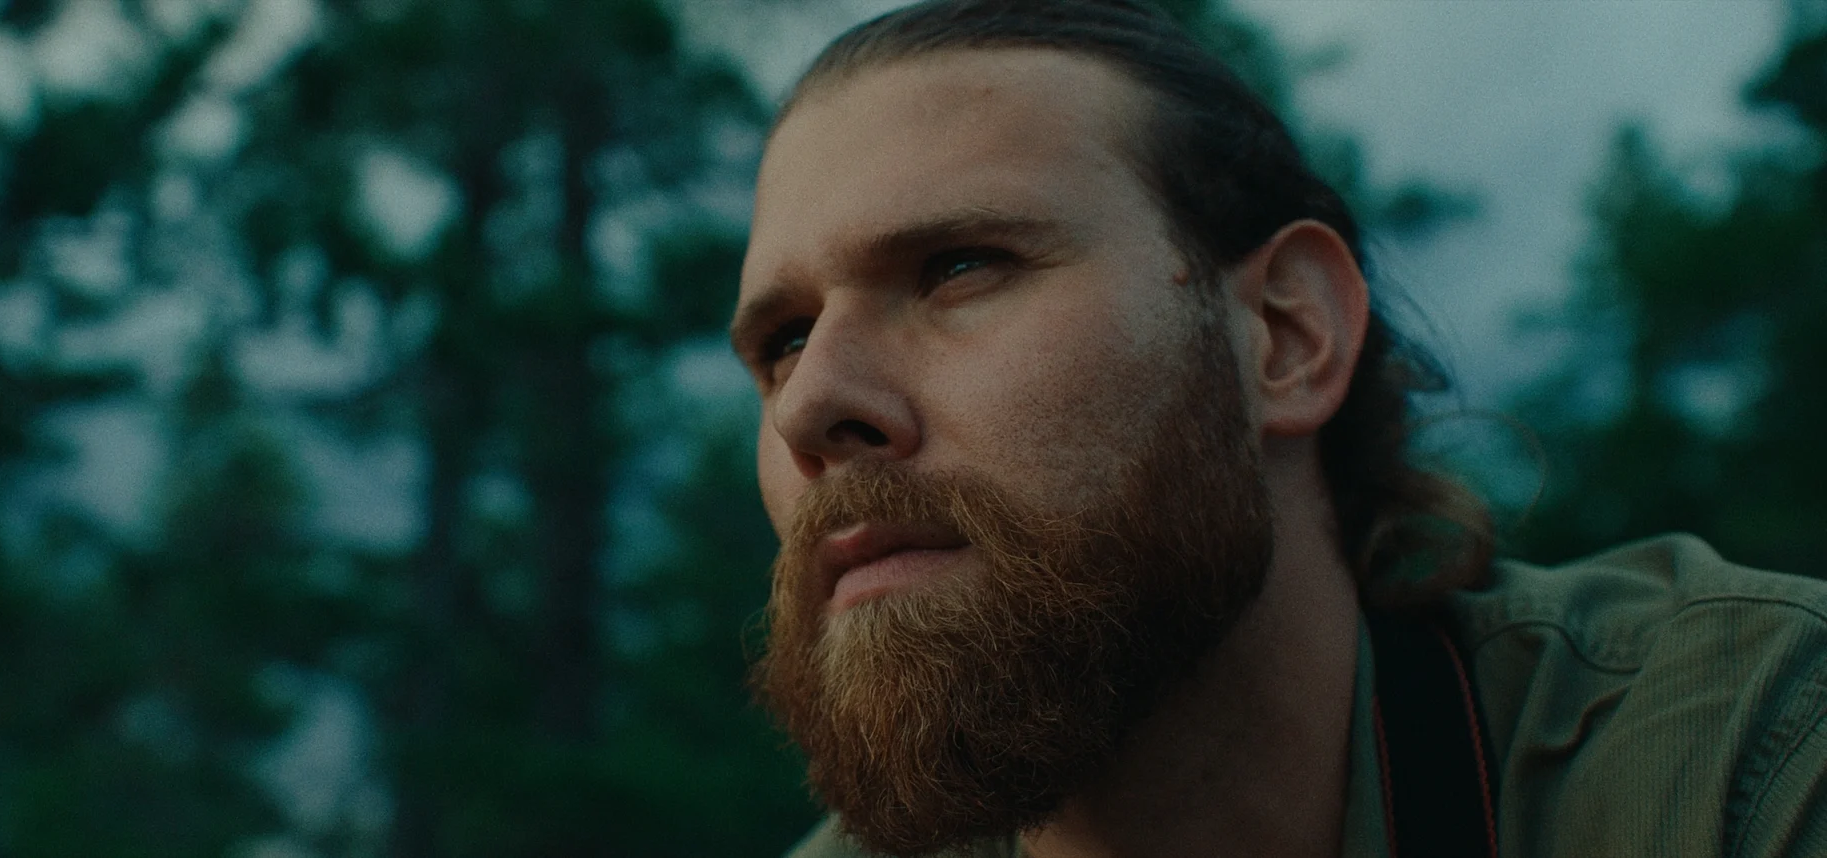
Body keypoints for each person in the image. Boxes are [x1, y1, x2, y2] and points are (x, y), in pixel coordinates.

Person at [726, 1, 1827, 856]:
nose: (808, 404)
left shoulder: (1746, 759)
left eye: (958, 268)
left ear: (1284, 336)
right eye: (781, 338)